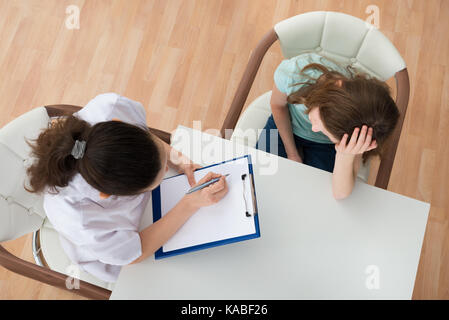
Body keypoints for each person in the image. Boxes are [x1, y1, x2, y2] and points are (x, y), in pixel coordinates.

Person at [25, 93, 228, 283]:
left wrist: (177, 158)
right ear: (110, 196)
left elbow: (142, 135)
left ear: (118, 124)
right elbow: (135, 252)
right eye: (161, 172)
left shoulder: (110, 109)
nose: (167, 168)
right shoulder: (82, 220)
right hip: (123, 250)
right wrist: (190, 204)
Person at [256, 52, 399, 199]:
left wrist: (345, 154)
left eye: (328, 133)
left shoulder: (358, 128)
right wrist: (292, 152)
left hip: (324, 146)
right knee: (258, 177)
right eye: (319, 120)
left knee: (314, 196)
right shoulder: (296, 73)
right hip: (286, 123)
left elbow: (340, 193)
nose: (314, 128)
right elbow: (277, 105)